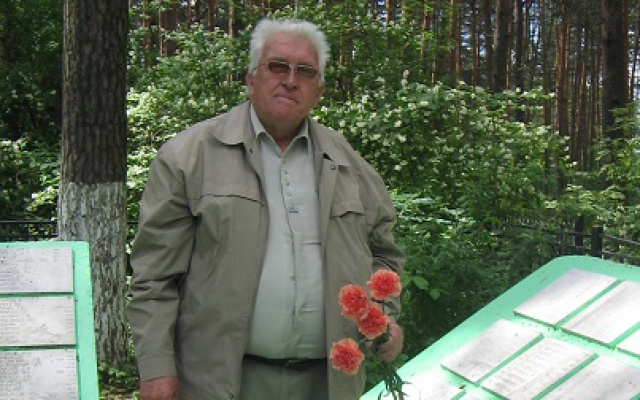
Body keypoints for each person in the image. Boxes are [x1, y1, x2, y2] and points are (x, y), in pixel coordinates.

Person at [127, 17, 406, 400]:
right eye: (277, 66)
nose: (290, 80)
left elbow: (384, 256)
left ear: (319, 90)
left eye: (305, 71)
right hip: (221, 384)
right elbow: (155, 277)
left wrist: (384, 317)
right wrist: (157, 368)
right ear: (251, 78)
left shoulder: (349, 165)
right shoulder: (188, 157)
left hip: (327, 384)